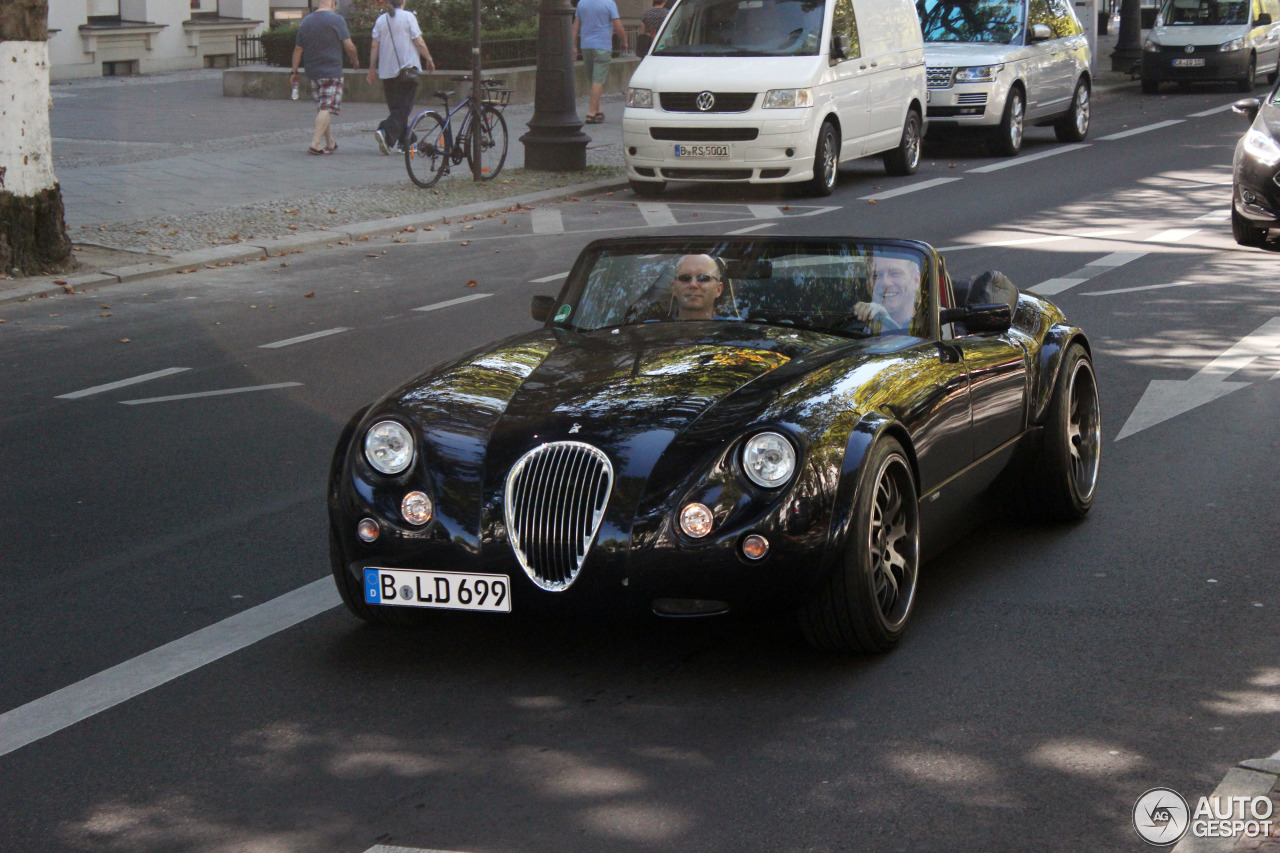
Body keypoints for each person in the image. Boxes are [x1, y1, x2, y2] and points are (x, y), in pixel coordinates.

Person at [290, 0, 360, 156]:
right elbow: (349, 46)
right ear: (332, 3)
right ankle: (315, 143)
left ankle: (330, 142)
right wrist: (354, 59)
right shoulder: (337, 19)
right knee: (327, 108)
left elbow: (298, 48)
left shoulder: (306, 21)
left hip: (313, 71)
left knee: (323, 108)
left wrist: (294, 72)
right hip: (332, 70)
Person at [366, 0, 436, 155]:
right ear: (403, 1)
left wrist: (372, 68)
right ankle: (385, 131)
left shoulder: (381, 20)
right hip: (407, 70)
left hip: (386, 71)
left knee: (397, 108)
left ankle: (405, 141)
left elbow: (374, 46)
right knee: (403, 108)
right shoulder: (408, 17)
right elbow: (418, 41)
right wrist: (429, 59)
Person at [573, 0, 627, 124]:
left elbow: (576, 25)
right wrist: (624, 41)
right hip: (603, 46)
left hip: (586, 46)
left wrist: (574, 46)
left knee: (592, 79)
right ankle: (591, 113)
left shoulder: (582, 3)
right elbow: (617, 25)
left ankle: (599, 111)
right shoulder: (609, 3)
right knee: (598, 80)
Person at [853, 253, 922, 332]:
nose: (885, 282)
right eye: (877, 275)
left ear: (916, 280)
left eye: (895, 274)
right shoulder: (853, 327)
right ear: (868, 285)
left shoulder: (932, 326)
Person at [671, 254, 724, 320]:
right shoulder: (655, 328)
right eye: (685, 278)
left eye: (703, 278)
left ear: (718, 289)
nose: (693, 284)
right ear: (674, 288)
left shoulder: (734, 329)